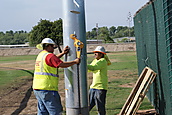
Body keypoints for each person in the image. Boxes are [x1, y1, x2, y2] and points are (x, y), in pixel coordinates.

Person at [32, 38, 80, 115]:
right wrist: (74, 62)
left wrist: (63, 53)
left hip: (38, 88)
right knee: (55, 111)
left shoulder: (41, 55)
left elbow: (54, 60)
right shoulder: (50, 56)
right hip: (48, 89)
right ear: (48, 46)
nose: (54, 49)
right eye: (53, 47)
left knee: (42, 111)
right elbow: (60, 64)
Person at [87, 46, 111, 115]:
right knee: (88, 105)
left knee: (100, 107)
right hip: (93, 87)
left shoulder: (103, 61)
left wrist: (83, 64)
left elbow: (94, 68)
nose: (94, 54)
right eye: (94, 53)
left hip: (100, 88)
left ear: (101, 54)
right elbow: (89, 69)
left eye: (96, 53)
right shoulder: (95, 60)